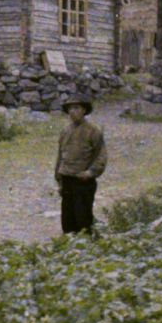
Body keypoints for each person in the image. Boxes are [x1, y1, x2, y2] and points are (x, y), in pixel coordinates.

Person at [53, 95, 107, 236]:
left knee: (83, 220)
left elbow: (101, 155)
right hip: (67, 179)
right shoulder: (65, 131)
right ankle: (70, 249)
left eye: (76, 108)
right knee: (67, 220)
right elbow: (61, 156)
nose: (72, 111)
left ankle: (86, 250)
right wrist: (59, 179)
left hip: (83, 181)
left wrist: (90, 173)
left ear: (84, 110)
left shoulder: (93, 130)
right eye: (70, 108)